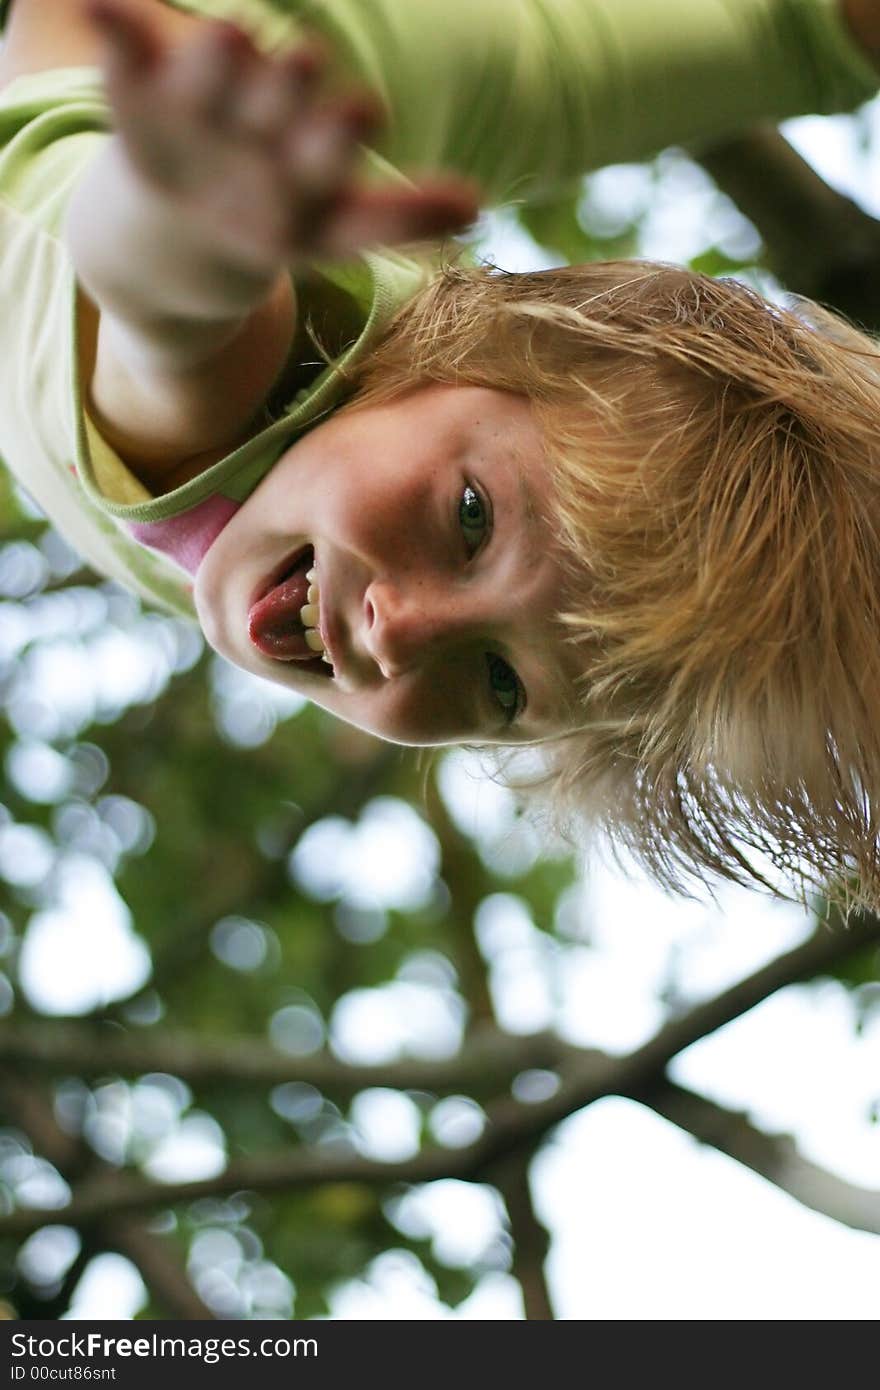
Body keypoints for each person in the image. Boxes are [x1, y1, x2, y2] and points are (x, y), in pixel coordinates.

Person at [2, 0, 880, 908]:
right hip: (208, 66)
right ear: (479, 353)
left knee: (800, 34)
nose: (403, 631)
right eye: (473, 519)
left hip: (354, 104)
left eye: (502, 685)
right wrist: (187, 229)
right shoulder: (233, 372)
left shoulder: (332, 498)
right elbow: (173, 317)